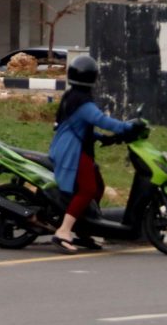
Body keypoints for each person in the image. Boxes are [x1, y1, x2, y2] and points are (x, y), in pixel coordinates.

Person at [48, 55, 139, 254]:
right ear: (93, 78)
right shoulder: (83, 103)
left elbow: (80, 126)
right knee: (88, 189)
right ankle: (63, 231)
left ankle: (84, 228)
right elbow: (102, 120)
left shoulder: (72, 96)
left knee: (98, 186)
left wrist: (101, 138)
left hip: (74, 146)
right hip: (73, 151)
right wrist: (129, 127)